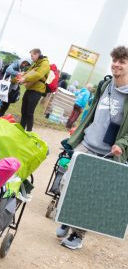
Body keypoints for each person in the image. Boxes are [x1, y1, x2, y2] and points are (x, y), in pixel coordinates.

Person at [56, 46, 128, 250]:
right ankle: (67, 217)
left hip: (108, 152)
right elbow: (92, 112)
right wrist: (78, 131)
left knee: (91, 194)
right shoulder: (105, 84)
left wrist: (121, 144)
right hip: (87, 143)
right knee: (66, 183)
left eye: (122, 61)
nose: (116, 64)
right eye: (115, 60)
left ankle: (77, 235)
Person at [16, 48, 50, 131]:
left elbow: (38, 75)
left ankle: (29, 132)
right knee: (23, 111)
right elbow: (28, 72)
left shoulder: (45, 63)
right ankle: (21, 130)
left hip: (37, 91)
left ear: (37, 54)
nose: (31, 58)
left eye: (32, 56)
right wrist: (22, 75)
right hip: (30, 88)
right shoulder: (35, 63)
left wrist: (24, 79)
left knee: (29, 113)